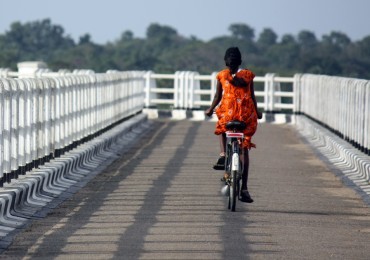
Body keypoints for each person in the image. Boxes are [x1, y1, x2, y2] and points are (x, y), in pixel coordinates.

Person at [205, 47, 262, 203]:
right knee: (244, 149)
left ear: (225, 62)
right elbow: (252, 96)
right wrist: (257, 112)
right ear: (240, 62)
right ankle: (244, 188)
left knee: (223, 126)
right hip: (245, 116)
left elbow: (218, 96)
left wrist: (210, 109)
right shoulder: (248, 76)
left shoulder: (222, 75)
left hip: (228, 114)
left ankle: (223, 154)